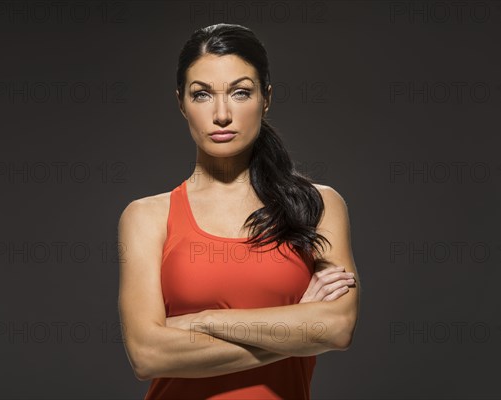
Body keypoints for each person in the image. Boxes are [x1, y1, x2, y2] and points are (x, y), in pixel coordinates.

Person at [117, 23, 360, 399]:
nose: (222, 114)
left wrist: (203, 321)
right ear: (180, 102)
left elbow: (337, 327)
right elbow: (147, 354)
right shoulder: (147, 217)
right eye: (201, 95)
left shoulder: (318, 206)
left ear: (266, 98)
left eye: (241, 92)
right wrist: (295, 324)